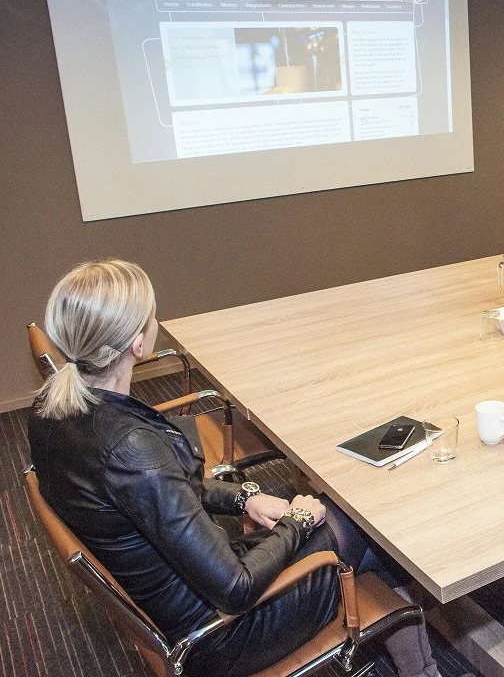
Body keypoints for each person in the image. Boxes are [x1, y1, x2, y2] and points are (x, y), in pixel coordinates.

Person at [27, 260, 448, 677]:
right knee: (365, 527)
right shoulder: (129, 448)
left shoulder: (54, 406)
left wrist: (246, 497)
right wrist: (299, 521)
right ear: (138, 343)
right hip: (224, 635)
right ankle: (420, 660)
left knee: (345, 525)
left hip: (181, 596)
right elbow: (236, 588)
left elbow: (161, 492)